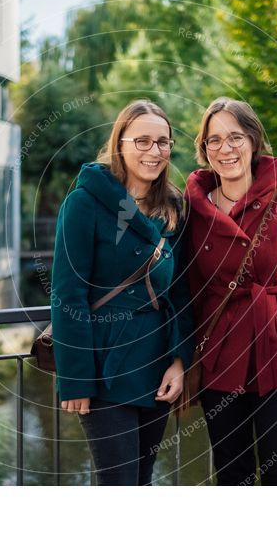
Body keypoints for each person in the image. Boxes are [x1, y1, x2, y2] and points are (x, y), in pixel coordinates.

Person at [184, 97, 277, 486]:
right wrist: (183, 359)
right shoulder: (192, 206)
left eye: (235, 137)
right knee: (232, 475)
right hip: (220, 358)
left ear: (253, 141)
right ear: (204, 149)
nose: (225, 148)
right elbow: (191, 291)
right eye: (213, 140)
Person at [50, 99, 194, 485]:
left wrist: (179, 362)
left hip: (157, 365)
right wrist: (76, 379)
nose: (154, 151)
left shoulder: (173, 207)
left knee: (142, 480)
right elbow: (68, 295)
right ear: (121, 144)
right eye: (142, 141)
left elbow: (180, 292)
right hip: (104, 368)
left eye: (163, 142)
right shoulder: (84, 203)